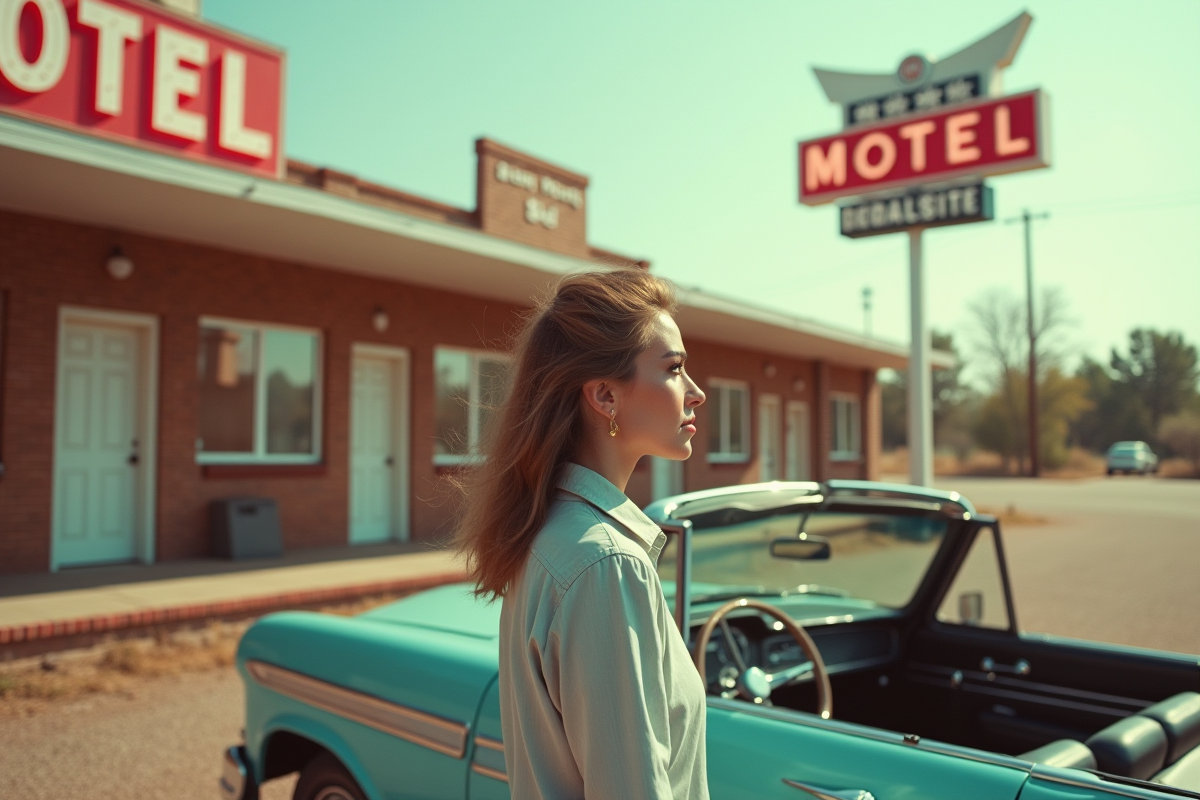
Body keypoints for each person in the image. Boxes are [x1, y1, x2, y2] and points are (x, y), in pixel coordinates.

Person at [454, 268, 709, 799]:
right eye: (674, 368)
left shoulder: (551, 534)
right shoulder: (606, 564)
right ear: (605, 396)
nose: (696, 393)